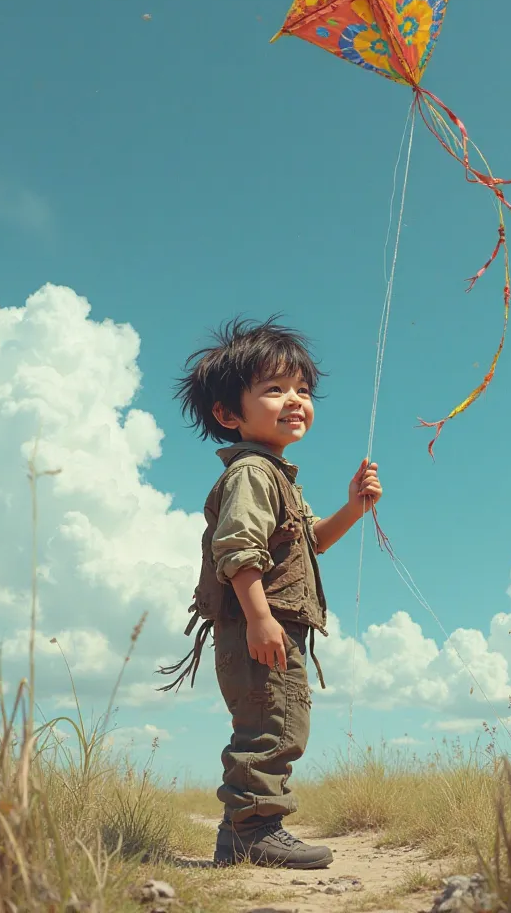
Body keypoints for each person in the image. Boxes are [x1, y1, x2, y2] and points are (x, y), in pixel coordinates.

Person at [158, 317, 382, 870]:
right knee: (269, 727)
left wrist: (353, 508)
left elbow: (313, 543)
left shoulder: (278, 477)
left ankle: (248, 833)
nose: (295, 401)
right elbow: (236, 550)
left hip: (273, 623)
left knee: (279, 723)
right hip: (260, 623)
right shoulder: (253, 473)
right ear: (229, 414)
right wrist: (260, 619)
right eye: (274, 389)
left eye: (303, 390)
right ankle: (252, 834)